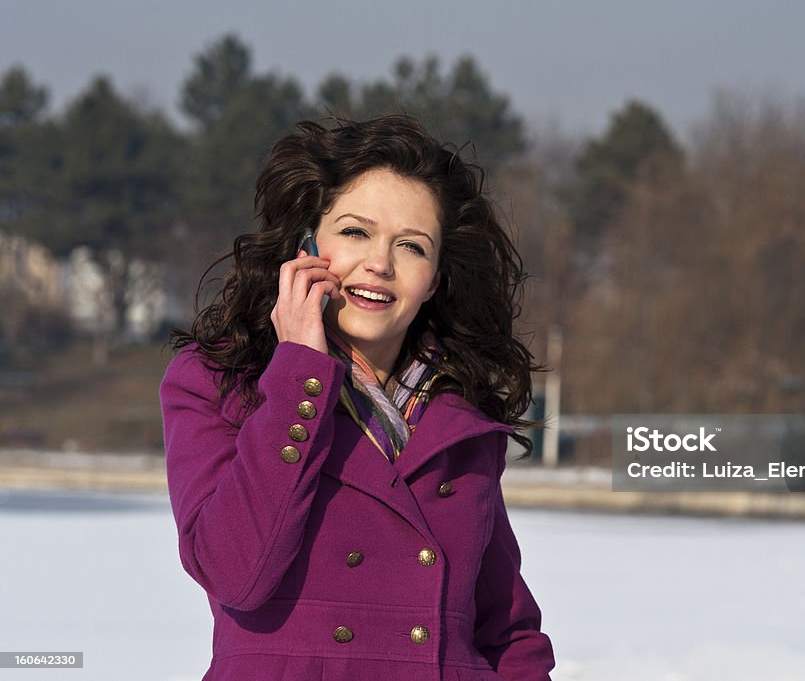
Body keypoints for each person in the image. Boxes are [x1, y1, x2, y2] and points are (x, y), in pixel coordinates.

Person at [160, 114, 556, 680]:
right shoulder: (218, 382)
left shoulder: (460, 416)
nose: (380, 263)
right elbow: (235, 575)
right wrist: (300, 372)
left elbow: (507, 630)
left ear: (436, 278)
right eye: (354, 232)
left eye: (412, 246)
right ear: (305, 245)